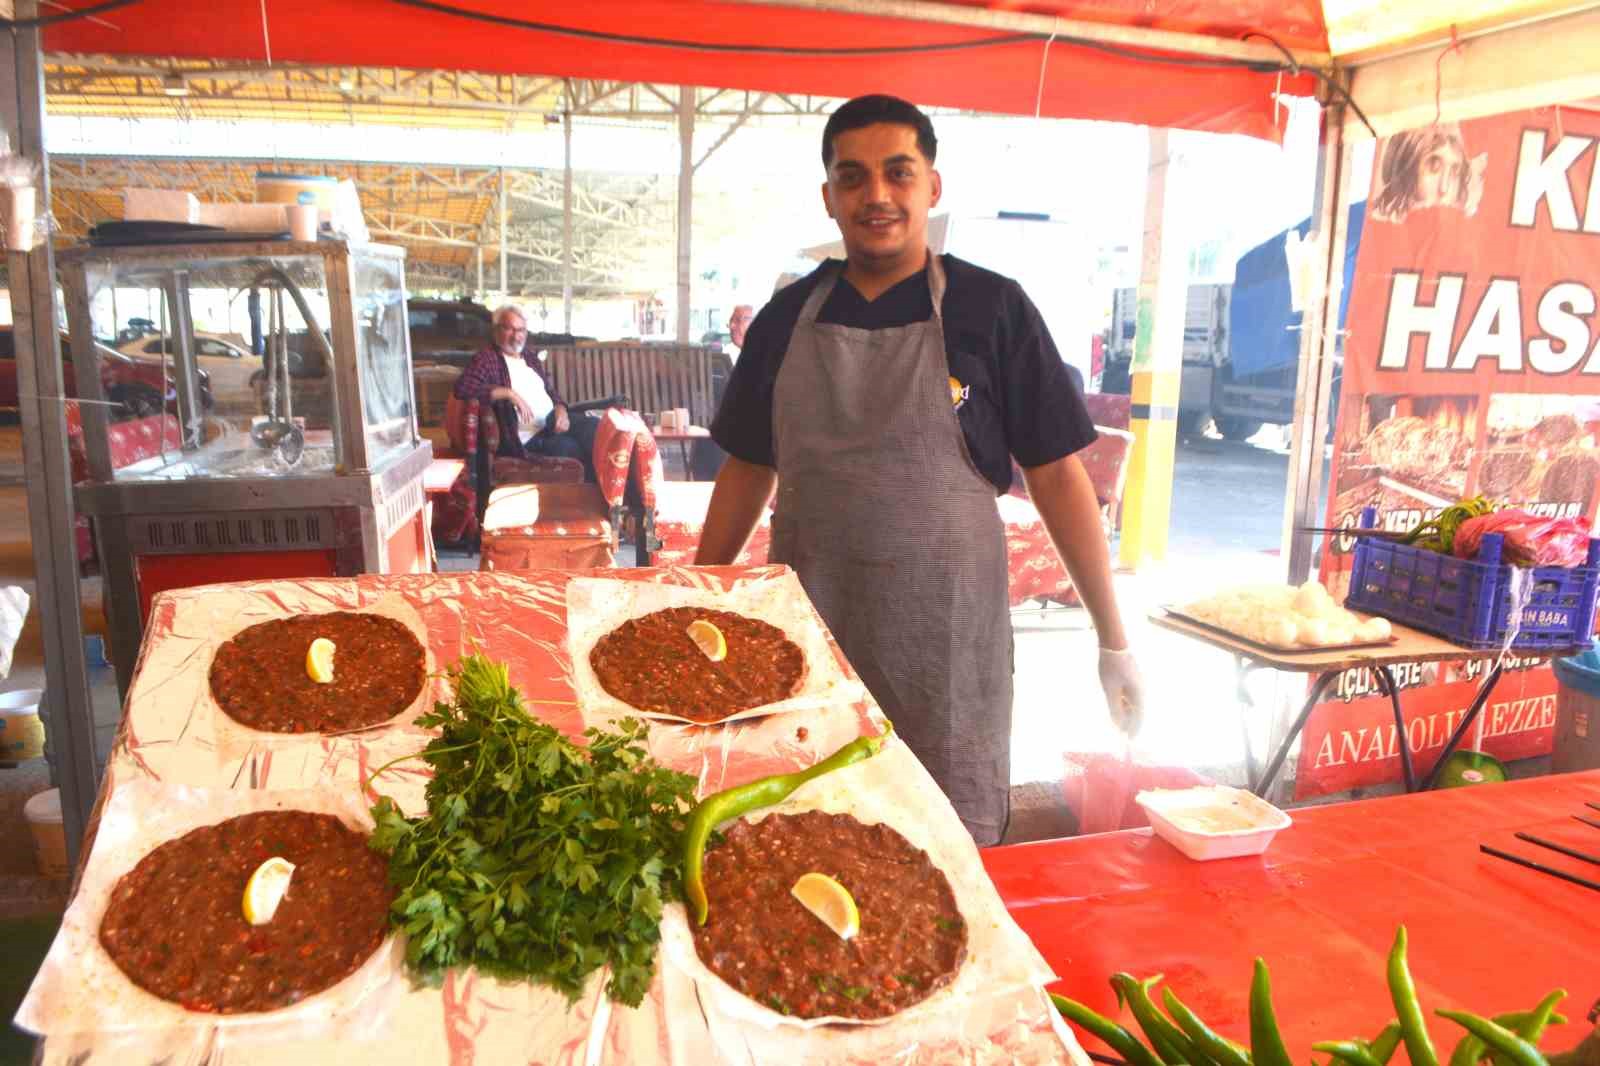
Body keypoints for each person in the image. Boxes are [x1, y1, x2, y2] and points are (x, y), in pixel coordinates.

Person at [695, 94, 1143, 845]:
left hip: (948, 652)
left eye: (898, 173)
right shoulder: (784, 319)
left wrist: (1113, 637)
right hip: (813, 647)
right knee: (811, 835)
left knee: (946, 845)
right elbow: (746, 468)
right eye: (854, 177)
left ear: (931, 186)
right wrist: (694, 602)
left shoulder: (992, 309)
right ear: (829, 197)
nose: (877, 195)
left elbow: (1059, 477)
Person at [452, 303, 594, 477]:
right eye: (509, 329)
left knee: (597, 429)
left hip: (551, 423)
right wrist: (508, 393)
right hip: (527, 439)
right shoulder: (487, 358)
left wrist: (561, 409)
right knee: (571, 447)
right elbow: (463, 388)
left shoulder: (529, 357)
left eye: (521, 330)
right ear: (496, 331)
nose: (516, 336)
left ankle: (622, 495)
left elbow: (551, 391)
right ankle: (602, 498)